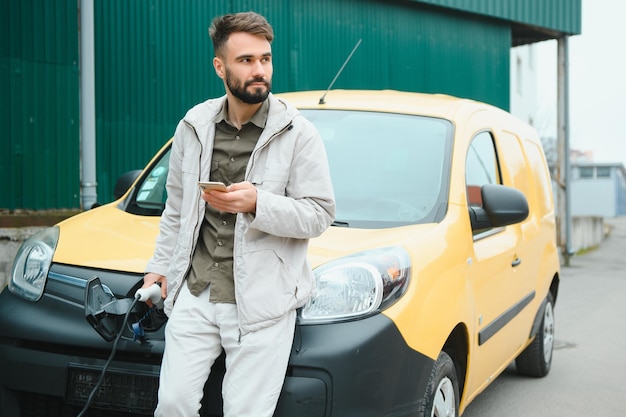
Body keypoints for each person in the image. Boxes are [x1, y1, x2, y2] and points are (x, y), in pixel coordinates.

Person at [140, 11, 335, 417]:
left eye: (265, 59)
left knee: (245, 412)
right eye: (246, 60)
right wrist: (159, 266)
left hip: (261, 303)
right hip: (195, 293)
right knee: (172, 405)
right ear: (220, 66)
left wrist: (257, 204)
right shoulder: (193, 125)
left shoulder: (299, 134)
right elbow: (176, 207)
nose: (259, 70)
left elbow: (319, 214)